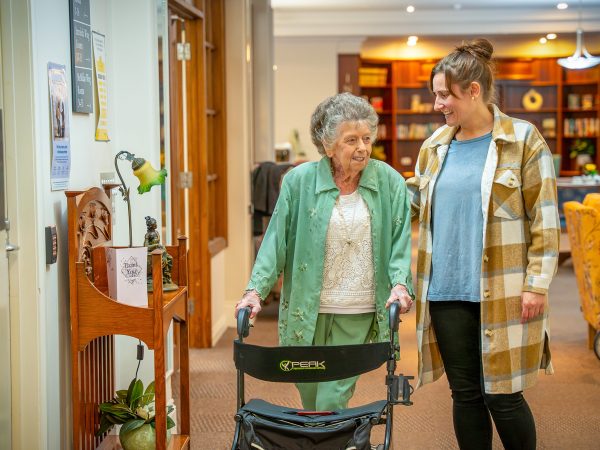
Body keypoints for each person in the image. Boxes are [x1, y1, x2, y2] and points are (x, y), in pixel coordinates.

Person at [406, 39, 560, 450]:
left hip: (505, 289)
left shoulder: (523, 140)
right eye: (435, 94)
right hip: (446, 292)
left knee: (504, 396)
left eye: (445, 94)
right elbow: (414, 205)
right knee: (466, 395)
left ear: (473, 91)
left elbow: (544, 219)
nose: (438, 103)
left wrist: (537, 283)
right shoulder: (435, 147)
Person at [235, 92, 414, 411]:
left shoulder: (389, 182)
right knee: (311, 396)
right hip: (308, 309)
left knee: (333, 398)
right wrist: (255, 292)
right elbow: (276, 242)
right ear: (328, 145)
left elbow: (400, 243)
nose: (362, 148)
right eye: (351, 140)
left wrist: (400, 283)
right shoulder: (299, 182)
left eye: (367, 138)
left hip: (357, 309)